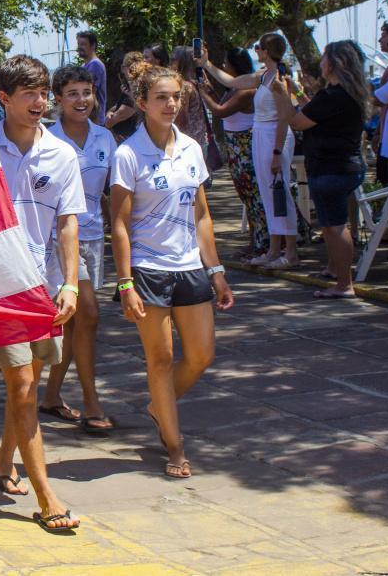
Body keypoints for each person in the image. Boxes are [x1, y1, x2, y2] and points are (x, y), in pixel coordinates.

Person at [110, 62, 234, 479]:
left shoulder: (191, 148)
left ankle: (157, 408)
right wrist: (125, 281)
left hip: (189, 267)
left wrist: (214, 269)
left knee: (201, 354)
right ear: (142, 103)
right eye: (161, 97)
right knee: (160, 358)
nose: (170, 104)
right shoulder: (128, 153)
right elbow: (120, 224)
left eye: (176, 97)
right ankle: (175, 445)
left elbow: (201, 213)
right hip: (148, 269)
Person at [0, 55, 82, 532]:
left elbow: (68, 223)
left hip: (44, 290)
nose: (41, 102)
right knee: (23, 385)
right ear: (3, 99)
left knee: (28, 381)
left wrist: (70, 282)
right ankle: (47, 497)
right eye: (30, 94)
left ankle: (4, 462)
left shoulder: (63, 155)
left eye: (44, 92)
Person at [40, 65, 115, 433]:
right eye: (72, 93)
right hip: (59, 240)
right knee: (89, 314)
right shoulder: (47, 141)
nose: (81, 100)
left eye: (86, 92)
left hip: (95, 239)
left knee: (73, 323)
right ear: (58, 99)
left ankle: (51, 394)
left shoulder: (105, 139)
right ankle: (91, 400)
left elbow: (111, 196)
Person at [276, 41, 370, 298]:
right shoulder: (345, 93)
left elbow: (297, 121)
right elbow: (315, 111)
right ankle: (334, 270)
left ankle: (344, 283)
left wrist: (282, 96)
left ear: (336, 63)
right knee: (331, 224)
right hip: (343, 165)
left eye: (325, 58)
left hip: (332, 167)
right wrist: (297, 94)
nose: (320, 62)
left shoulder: (335, 96)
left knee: (334, 226)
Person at [196, 34, 299, 268]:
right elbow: (232, 82)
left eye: (258, 47)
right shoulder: (264, 76)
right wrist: (206, 64)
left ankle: (290, 251)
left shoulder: (279, 80)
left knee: (279, 192)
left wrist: (276, 151)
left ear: (266, 50)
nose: (256, 50)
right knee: (267, 193)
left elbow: (285, 118)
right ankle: (274, 249)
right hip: (261, 134)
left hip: (275, 136)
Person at [198, 47, 267, 258]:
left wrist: (203, 94)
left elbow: (220, 111)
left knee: (254, 196)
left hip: (245, 145)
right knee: (246, 196)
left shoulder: (248, 90)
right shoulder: (235, 88)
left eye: (227, 64)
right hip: (235, 146)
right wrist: (210, 91)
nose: (225, 67)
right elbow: (222, 102)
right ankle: (254, 240)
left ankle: (263, 242)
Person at [170, 47, 209, 150]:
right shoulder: (194, 82)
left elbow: (181, 119)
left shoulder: (184, 86)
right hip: (199, 140)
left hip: (187, 144)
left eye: (173, 59)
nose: (169, 64)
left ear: (181, 62)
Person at [106, 52, 147, 142]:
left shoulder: (137, 89)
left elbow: (121, 114)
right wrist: (109, 113)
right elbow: (115, 108)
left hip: (129, 138)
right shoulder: (127, 88)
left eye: (125, 66)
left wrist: (107, 126)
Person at [373, 23, 388, 185]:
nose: (380, 39)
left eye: (384, 35)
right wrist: (378, 133)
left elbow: (380, 99)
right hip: (386, 140)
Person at [75, 31, 107, 124]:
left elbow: (90, 92)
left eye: (83, 44)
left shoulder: (95, 64)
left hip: (94, 120)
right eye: (78, 44)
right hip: (87, 118)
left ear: (93, 46)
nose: (79, 47)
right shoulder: (84, 66)